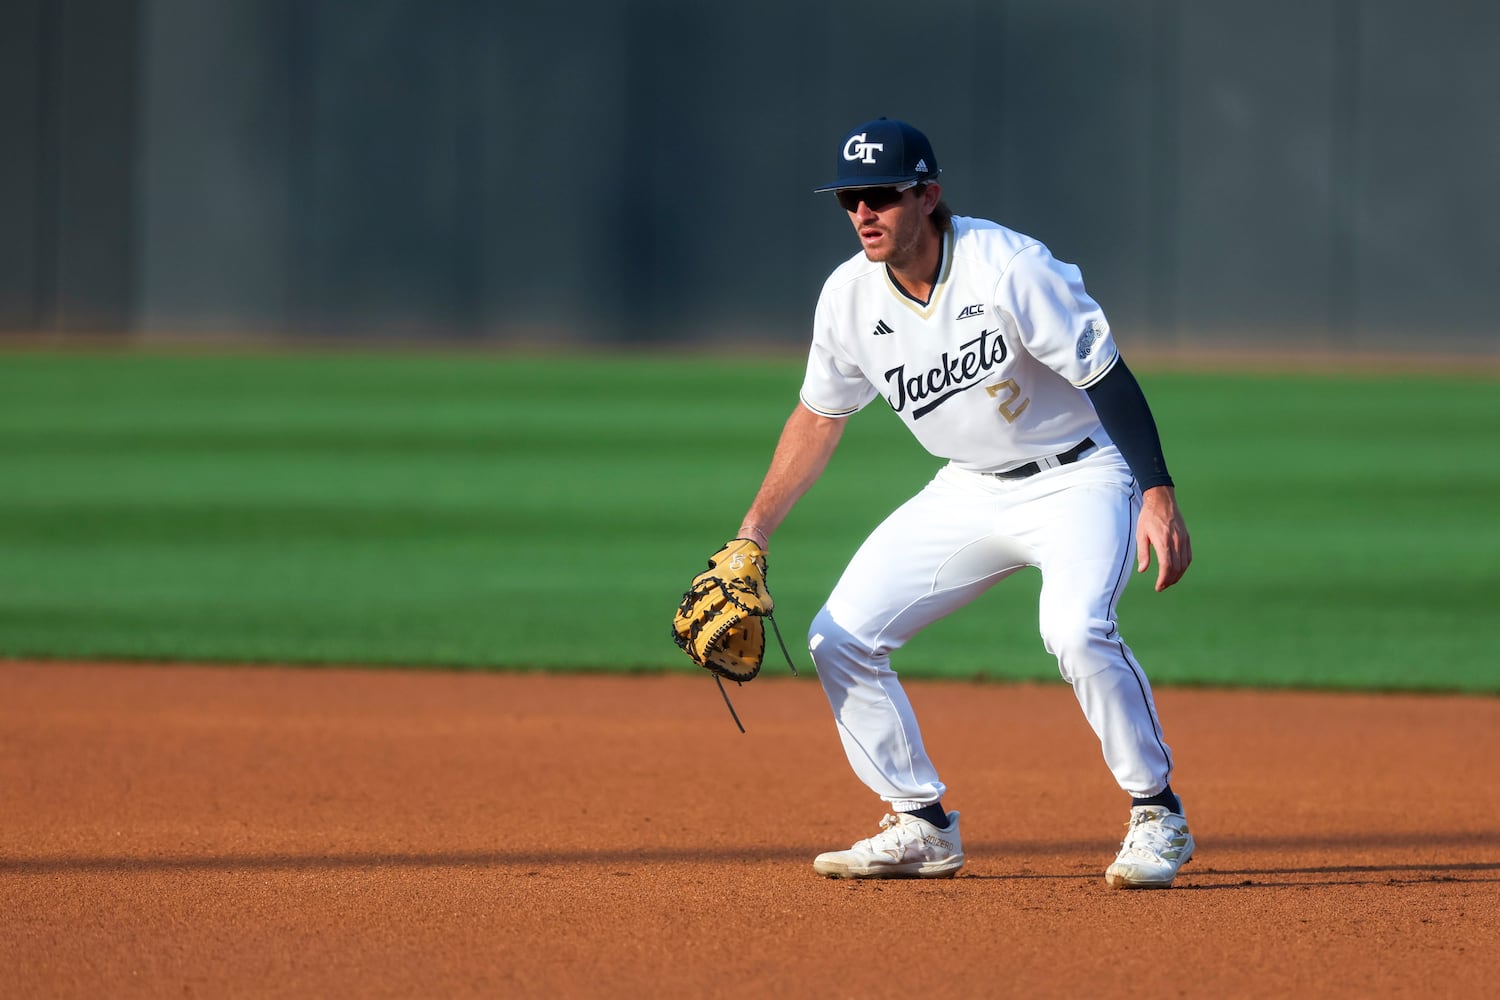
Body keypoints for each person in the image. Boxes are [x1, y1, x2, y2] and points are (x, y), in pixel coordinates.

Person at [733, 117, 1195, 888]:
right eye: (850, 198)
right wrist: (753, 534)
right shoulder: (847, 297)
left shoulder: (1007, 266)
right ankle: (920, 824)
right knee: (837, 638)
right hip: (967, 486)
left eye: (881, 194)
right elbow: (817, 417)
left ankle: (1158, 814)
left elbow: (1103, 372)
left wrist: (1157, 493)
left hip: (1077, 477)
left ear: (928, 195)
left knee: (1076, 631)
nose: (863, 213)